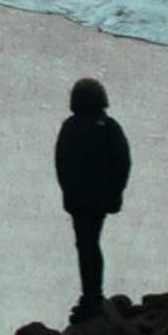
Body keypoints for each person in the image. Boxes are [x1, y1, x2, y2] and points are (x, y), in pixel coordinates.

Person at [52, 76, 131, 321]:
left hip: (79, 199)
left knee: (86, 245)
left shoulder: (70, 126)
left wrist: (68, 191)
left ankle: (91, 297)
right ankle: (92, 296)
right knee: (90, 244)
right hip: (100, 199)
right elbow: (123, 163)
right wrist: (115, 192)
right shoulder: (109, 126)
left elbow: (61, 162)